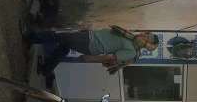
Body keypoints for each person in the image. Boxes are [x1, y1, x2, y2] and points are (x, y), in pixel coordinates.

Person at [21, 23, 159, 73]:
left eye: (147, 36)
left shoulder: (132, 52)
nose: (143, 34)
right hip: (91, 37)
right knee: (64, 45)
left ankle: (30, 37)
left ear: (147, 42)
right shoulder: (131, 37)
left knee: (60, 37)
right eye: (146, 33)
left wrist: (89, 59)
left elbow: (111, 57)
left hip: (91, 45)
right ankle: (46, 68)